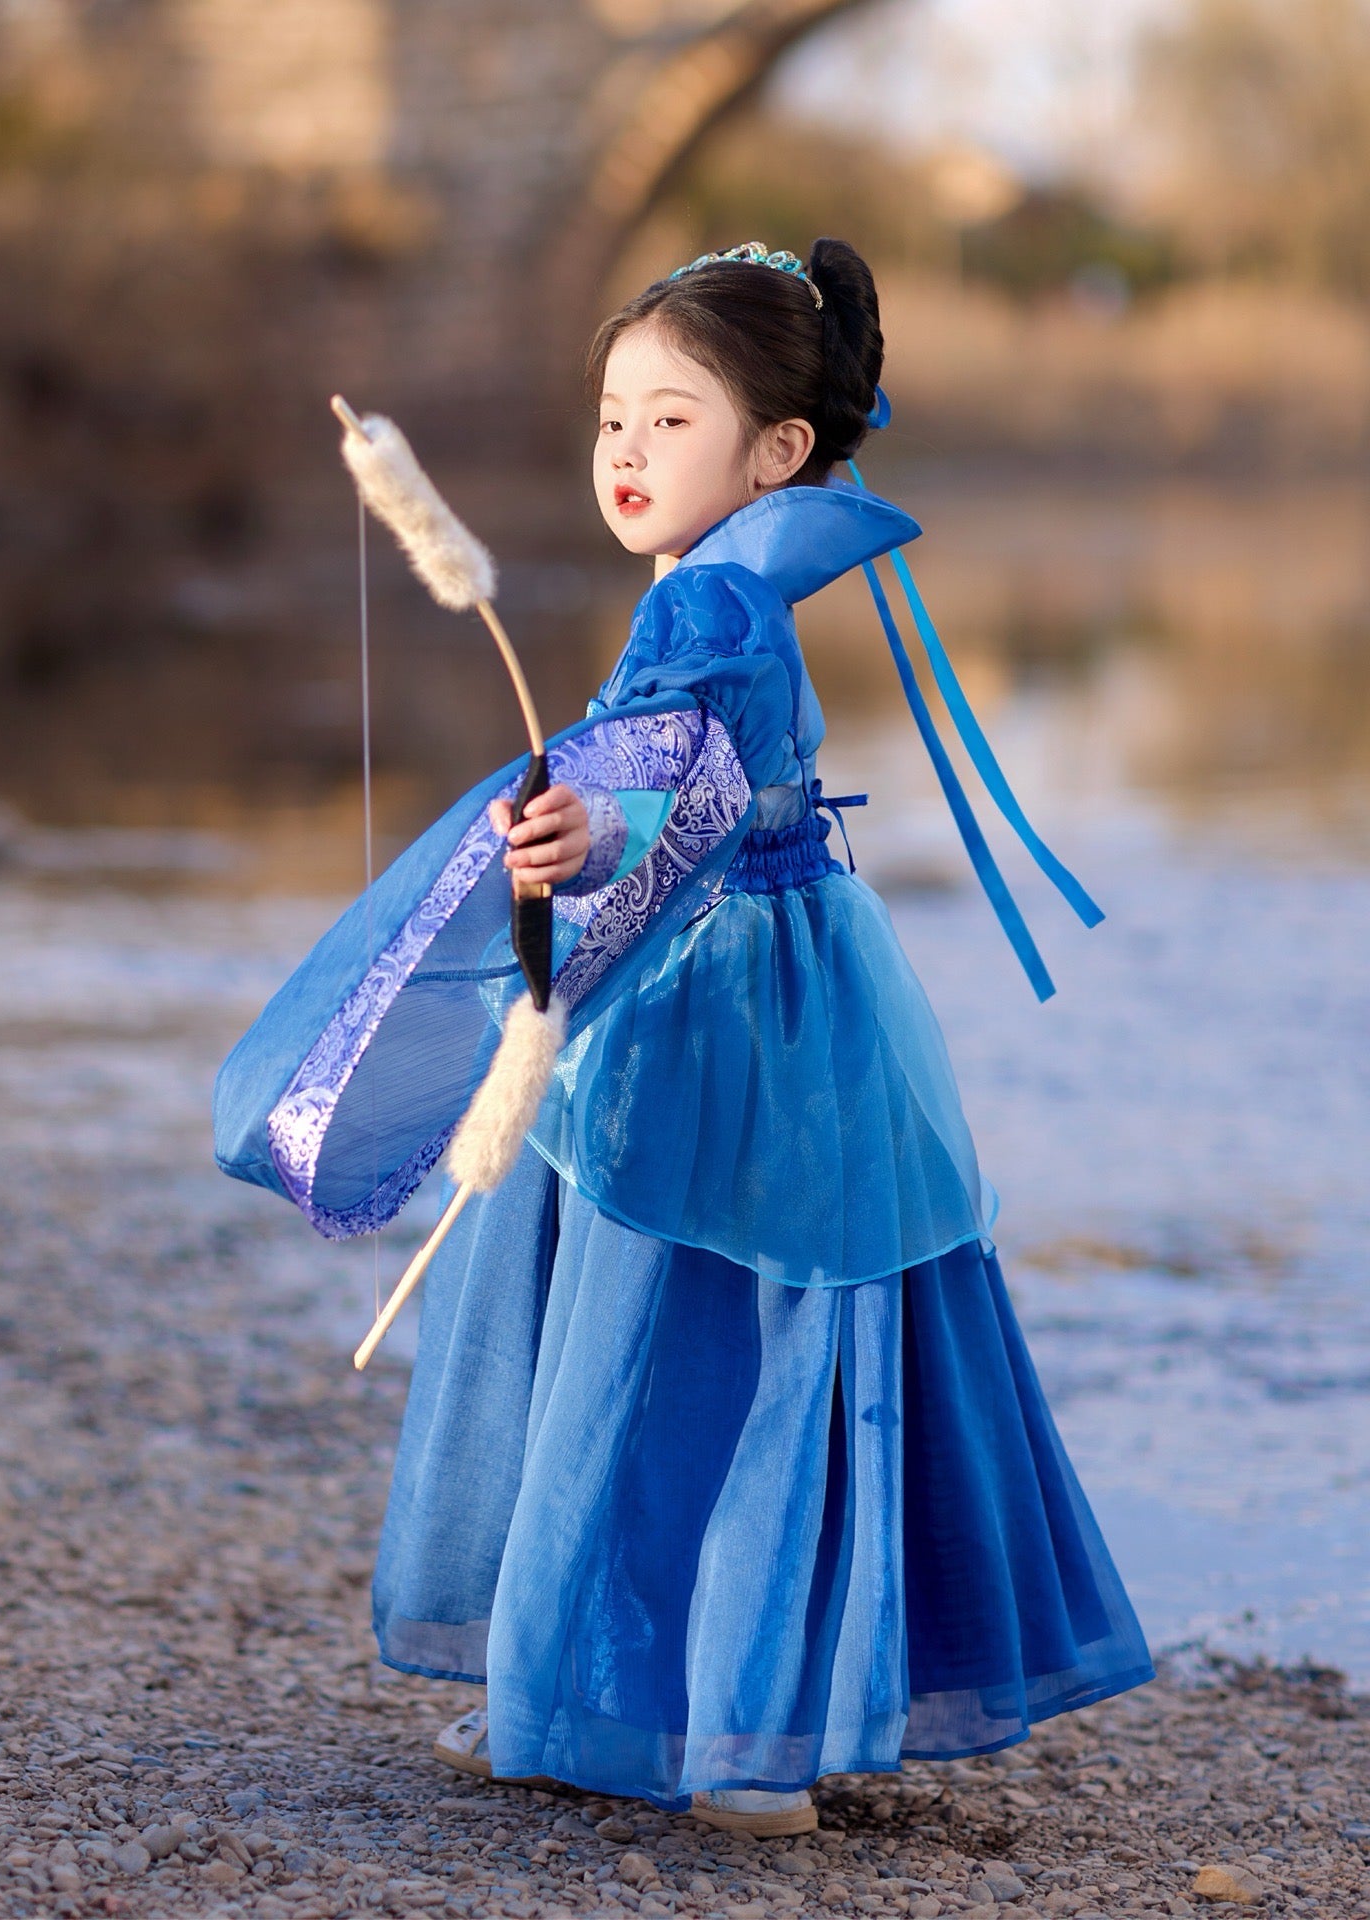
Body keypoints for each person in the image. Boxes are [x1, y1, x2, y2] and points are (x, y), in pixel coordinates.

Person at [365, 237, 1153, 1838]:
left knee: (671, 1333)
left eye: (671, 420)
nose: (628, 453)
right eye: (611, 420)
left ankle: (686, 1719)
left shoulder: (714, 599)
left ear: (779, 452)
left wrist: (589, 827)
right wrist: (610, 819)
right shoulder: (717, 581)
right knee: (768, 1324)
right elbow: (699, 772)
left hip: (725, 1004)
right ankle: (734, 1712)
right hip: (793, 984)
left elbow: (684, 780)